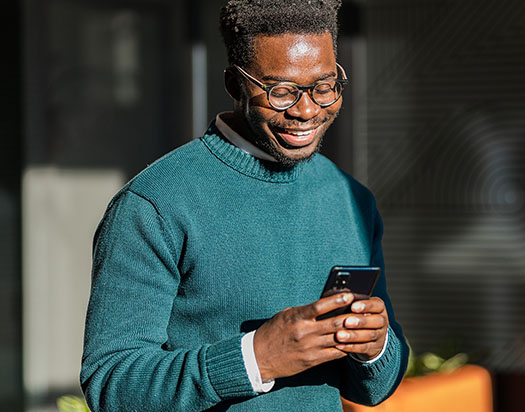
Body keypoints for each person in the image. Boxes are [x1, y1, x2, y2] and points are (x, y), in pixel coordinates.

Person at [80, 1, 409, 411]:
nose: (307, 111)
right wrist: (254, 358)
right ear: (235, 85)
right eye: (282, 91)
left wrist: (375, 349)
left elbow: (374, 389)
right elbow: (111, 385)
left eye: (324, 87)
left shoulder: (350, 198)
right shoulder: (154, 205)